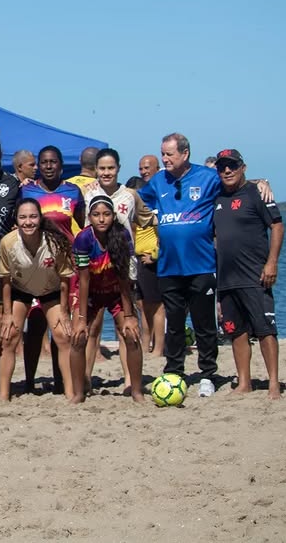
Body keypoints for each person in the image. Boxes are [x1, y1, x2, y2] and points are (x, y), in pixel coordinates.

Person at [137, 132, 221, 397]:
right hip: (169, 267)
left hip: (201, 265)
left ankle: (207, 374)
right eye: (162, 153)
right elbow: (135, 199)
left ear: (185, 154)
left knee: (204, 324)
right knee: (173, 324)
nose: (165, 159)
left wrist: (261, 182)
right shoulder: (158, 181)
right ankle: (174, 370)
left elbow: (235, 186)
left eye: (169, 154)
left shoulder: (207, 178)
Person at [79, 148, 154, 394]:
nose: (106, 173)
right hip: (94, 268)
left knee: (126, 327)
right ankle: (85, 379)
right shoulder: (87, 193)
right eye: (102, 168)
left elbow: (148, 218)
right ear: (95, 170)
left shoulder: (130, 195)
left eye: (111, 168)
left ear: (119, 168)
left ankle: (130, 381)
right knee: (93, 328)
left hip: (123, 268)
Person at [212, 149, 283, 398]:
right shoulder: (216, 197)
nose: (227, 171)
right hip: (226, 279)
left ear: (243, 167)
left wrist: (272, 263)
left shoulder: (256, 193)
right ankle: (244, 382)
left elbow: (277, 226)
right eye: (222, 167)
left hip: (255, 276)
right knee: (236, 331)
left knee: (265, 329)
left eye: (232, 166)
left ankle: (273, 383)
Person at [18, 145, 85, 393]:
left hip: (64, 266)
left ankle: (60, 380)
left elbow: (81, 224)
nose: (48, 166)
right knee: (35, 324)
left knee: (61, 325)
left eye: (53, 161)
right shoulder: (26, 190)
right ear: (38, 165)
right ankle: (29, 381)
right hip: (35, 266)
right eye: (44, 162)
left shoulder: (73, 191)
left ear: (60, 165)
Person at [0, 198, 77, 401]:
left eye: (33, 217)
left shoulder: (54, 242)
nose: (28, 222)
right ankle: (4, 395)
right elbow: (5, 280)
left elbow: (65, 279)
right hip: (20, 289)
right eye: (22, 217)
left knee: (63, 335)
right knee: (8, 337)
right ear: (16, 220)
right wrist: (6, 313)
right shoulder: (8, 242)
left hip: (51, 289)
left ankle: (70, 392)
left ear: (40, 218)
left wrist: (64, 311)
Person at [69, 195, 144, 404]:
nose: (101, 219)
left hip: (116, 292)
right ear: (90, 217)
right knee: (78, 337)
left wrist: (129, 316)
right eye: (96, 215)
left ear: (113, 216)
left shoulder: (122, 235)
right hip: (91, 292)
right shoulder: (84, 238)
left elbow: (124, 277)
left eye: (106, 214)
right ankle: (79, 392)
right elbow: (83, 280)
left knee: (131, 334)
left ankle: (136, 390)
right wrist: (81, 318)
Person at [125, 175, 164, 357]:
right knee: (143, 305)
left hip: (150, 260)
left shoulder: (151, 210)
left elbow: (163, 233)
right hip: (138, 259)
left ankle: (158, 347)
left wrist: (155, 256)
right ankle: (146, 342)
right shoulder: (135, 212)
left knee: (156, 306)